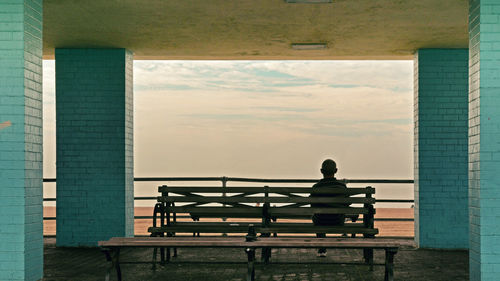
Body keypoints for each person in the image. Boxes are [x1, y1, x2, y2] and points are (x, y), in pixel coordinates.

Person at [310, 159, 347, 257]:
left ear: (321, 171)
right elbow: (348, 203)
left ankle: (322, 249)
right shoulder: (342, 187)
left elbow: (312, 205)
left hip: (320, 221)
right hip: (338, 221)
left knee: (318, 217)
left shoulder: (316, 187)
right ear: (336, 171)